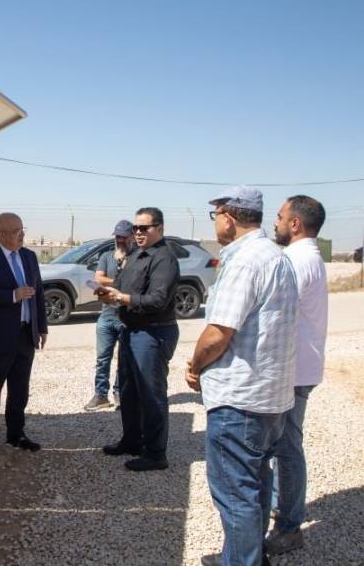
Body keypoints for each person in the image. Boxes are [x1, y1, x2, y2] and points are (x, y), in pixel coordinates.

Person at [185, 186, 298, 566]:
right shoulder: (275, 256)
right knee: (256, 483)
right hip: (270, 397)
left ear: (228, 217)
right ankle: (246, 555)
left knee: (236, 494)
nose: (215, 223)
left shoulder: (246, 261)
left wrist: (194, 365)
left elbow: (218, 333)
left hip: (240, 400)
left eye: (215, 215)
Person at [96, 208, 180, 472]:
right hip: (131, 330)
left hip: (153, 332)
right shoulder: (135, 255)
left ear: (160, 228)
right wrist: (108, 294)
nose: (139, 232)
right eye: (136, 228)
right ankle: (132, 441)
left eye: (145, 228)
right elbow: (121, 286)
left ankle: (155, 453)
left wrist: (122, 298)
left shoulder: (164, 258)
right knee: (129, 391)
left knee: (151, 395)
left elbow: (157, 299)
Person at [266, 195, 328, 555]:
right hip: (298, 368)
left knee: (286, 450)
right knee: (283, 448)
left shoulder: (296, 260)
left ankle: (288, 527)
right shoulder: (306, 257)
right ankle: (283, 510)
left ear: (295, 224)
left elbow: (276, 317)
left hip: (292, 371)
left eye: (279, 216)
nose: (274, 223)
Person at [0, 213, 48, 458]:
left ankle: (16, 434)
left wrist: (41, 327)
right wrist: (12, 295)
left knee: (20, 389)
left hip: (25, 334)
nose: (22, 235)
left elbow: (38, 293)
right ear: (2, 234)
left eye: (22, 229)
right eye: (16, 231)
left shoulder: (29, 256)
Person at [84, 219, 134, 411]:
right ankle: (100, 395)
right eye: (118, 236)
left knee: (124, 360)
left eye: (124, 236)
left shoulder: (137, 258)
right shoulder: (106, 256)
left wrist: (112, 282)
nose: (120, 240)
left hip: (126, 317)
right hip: (106, 316)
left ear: (132, 236)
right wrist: (120, 282)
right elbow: (99, 277)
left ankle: (120, 394)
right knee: (102, 359)